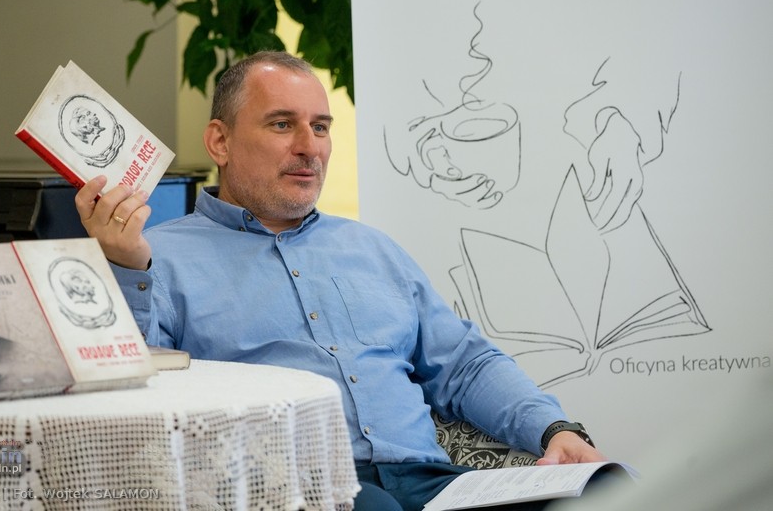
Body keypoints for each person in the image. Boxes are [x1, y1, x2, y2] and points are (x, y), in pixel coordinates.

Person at [74, 51, 609, 511]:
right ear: (220, 141)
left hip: (431, 483)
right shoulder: (154, 257)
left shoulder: (372, 248)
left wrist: (555, 430)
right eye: (282, 124)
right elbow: (132, 402)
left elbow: (466, 365)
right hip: (293, 488)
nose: (309, 147)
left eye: (321, 127)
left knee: (604, 492)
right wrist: (122, 267)